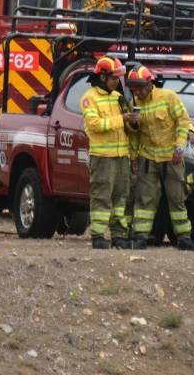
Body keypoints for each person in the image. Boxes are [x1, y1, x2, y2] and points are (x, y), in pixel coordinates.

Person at [127, 65, 194, 251]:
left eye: (140, 87)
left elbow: (183, 121)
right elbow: (134, 135)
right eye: (134, 88)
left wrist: (179, 147)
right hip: (148, 158)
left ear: (150, 84)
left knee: (177, 198)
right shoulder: (134, 104)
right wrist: (133, 156)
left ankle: (183, 238)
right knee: (145, 199)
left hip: (171, 158)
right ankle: (140, 237)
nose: (138, 92)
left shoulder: (168, 97)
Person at [79, 56, 136, 250]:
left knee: (121, 197)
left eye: (118, 78)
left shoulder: (118, 97)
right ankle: (98, 235)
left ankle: (119, 235)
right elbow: (95, 125)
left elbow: (127, 128)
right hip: (102, 157)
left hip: (122, 156)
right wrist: (122, 119)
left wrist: (133, 122)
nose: (117, 81)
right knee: (101, 196)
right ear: (102, 77)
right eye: (113, 78)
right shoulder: (89, 98)